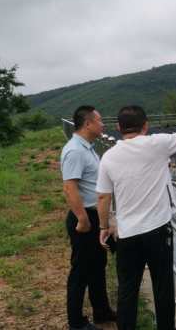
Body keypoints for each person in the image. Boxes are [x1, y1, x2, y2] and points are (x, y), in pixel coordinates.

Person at [96, 104, 176, 330]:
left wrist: (104, 227)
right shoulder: (157, 143)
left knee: (127, 289)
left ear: (118, 127)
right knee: (162, 287)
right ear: (146, 126)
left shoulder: (108, 157)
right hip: (158, 230)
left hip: (128, 233)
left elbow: (103, 196)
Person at [61, 105, 116, 330]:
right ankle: (76, 322)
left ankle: (101, 311)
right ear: (87, 124)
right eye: (100, 120)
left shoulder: (88, 147)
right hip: (84, 218)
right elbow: (69, 189)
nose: (103, 124)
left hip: (94, 217)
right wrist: (83, 219)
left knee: (97, 266)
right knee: (81, 270)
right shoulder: (75, 150)